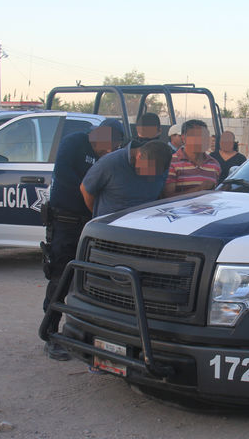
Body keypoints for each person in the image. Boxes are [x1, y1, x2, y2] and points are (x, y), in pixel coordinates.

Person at [41, 118, 124, 361]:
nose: (112, 148)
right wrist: (92, 189)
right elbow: (65, 175)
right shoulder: (74, 142)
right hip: (66, 222)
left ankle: (85, 334)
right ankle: (50, 334)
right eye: (111, 142)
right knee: (60, 279)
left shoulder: (110, 156)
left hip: (94, 224)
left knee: (92, 282)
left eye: (117, 145)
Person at [80, 140, 172, 217]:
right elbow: (85, 189)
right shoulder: (110, 163)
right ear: (139, 156)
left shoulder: (161, 166)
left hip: (144, 224)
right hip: (111, 227)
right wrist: (99, 217)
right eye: (149, 170)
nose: (152, 175)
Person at [163, 120, 221, 198]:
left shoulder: (214, 164)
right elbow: (167, 198)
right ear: (183, 138)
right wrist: (199, 189)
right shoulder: (171, 162)